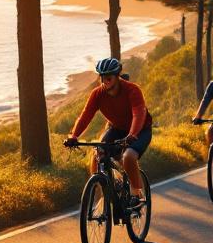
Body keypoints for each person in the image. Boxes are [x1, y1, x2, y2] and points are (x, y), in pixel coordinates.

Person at [64, 58, 153, 207]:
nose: (105, 82)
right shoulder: (97, 94)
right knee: (98, 152)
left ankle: (137, 193)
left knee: (129, 156)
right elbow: (86, 115)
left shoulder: (132, 90)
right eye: (102, 78)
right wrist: (74, 136)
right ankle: (98, 187)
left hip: (140, 130)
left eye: (109, 78)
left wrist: (132, 135)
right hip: (116, 128)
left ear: (117, 76)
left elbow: (139, 114)